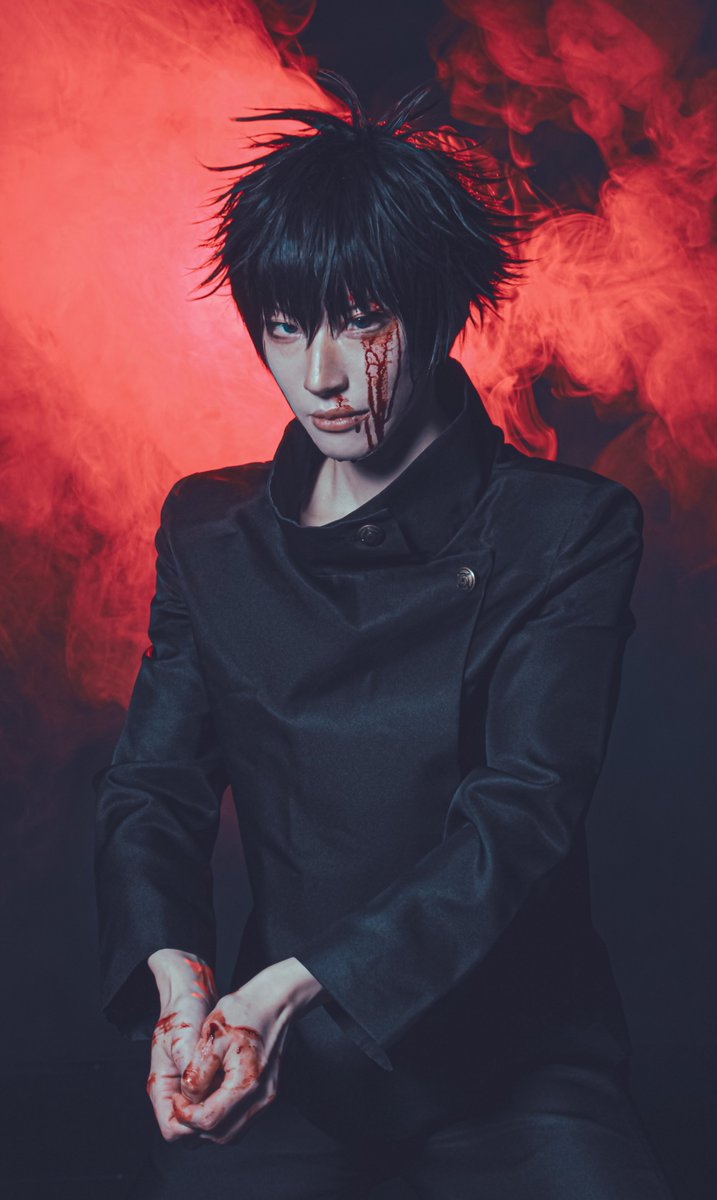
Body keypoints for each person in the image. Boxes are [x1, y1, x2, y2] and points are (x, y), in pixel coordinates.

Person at [94, 71, 674, 1198]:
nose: (319, 375)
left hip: (516, 1072)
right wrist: (181, 985)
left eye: (363, 319)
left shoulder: (566, 532)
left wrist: (289, 988)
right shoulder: (209, 532)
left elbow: (519, 817)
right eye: (286, 326)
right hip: (280, 1067)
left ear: (442, 314)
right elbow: (154, 789)